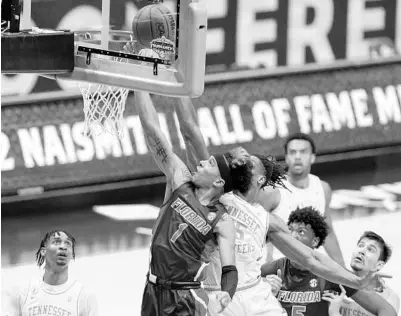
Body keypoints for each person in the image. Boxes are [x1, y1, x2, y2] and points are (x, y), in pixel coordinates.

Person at [173, 97, 389, 316]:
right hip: (220, 295)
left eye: (250, 163)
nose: (243, 162)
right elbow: (190, 133)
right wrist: (182, 88)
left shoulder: (269, 221)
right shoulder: (220, 191)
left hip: (254, 296)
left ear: (259, 180)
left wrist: (356, 281)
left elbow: (311, 258)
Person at [132, 90, 239, 316]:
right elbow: (153, 132)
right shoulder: (181, 180)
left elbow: (230, 269)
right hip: (151, 290)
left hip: (185, 298)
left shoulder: (222, 220)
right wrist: (138, 85)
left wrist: (227, 292)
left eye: (209, 164)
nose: (201, 164)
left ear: (219, 181)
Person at [261, 208, 397, 316]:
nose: (293, 236)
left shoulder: (332, 274)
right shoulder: (271, 270)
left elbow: (387, 310)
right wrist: (264, 294)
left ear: (314, 241)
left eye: (301, 232)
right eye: (290, 230)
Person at [258, 132, 345, 265]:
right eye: (292, 152)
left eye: (303, 152)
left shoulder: (323, 188)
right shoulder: (272, 191)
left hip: (310, 267)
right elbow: (260, 234)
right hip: (279, 269)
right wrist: (268, 268)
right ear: (286, 158)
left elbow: (327, 232)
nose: (297, 157)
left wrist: (342, 269)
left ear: (312, 157)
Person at [2, 230, 98, 316]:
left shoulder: (85, 296)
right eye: (56, 242)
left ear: (72, 255)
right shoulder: (21, 292)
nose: (63, 247)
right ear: (43, 251)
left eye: (68, 244)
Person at [323, 231, 400, 316]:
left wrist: (334, 313)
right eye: (361, 245)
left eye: (370, 250)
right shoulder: (335, 283)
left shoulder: (389, 297)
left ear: (379, 265)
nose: (362, 251)